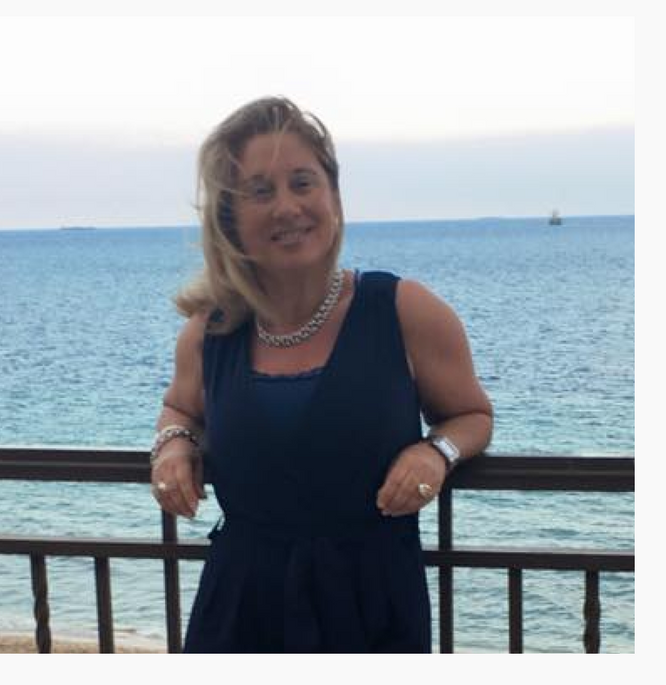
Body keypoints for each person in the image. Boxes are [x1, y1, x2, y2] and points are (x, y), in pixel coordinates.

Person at [150, 96, 493, 653]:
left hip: (372, 603)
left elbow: (472, 415)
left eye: (303, 183)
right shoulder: (210, 332)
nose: (287, 207)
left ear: (333, 196)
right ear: (230, 218)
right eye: (261, 191)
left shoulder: (404, 310)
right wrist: (173, 445)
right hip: (241, 604)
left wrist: (437, 452)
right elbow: (181, 408)